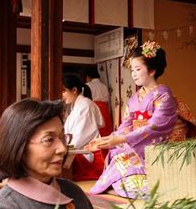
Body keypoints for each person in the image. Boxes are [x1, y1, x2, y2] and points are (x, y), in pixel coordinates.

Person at [86, 41, 179, 198]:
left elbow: (155, 126)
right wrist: (108, 139)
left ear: (152, 70)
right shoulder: (135, 98)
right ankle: (121, 185)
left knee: (125, 156)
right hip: (136, 140)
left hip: (156, 143)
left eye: (137, 69)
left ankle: (131, 186)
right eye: (132, 70)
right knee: (117, 152)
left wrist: (123, 139)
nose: (134, 74)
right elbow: (126, 125)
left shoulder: (164, 95)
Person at [62, 75, 105, 181]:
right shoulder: (77, 105)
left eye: (63, 91)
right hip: (79, 150)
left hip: (85, 154)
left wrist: (64, 147)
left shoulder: (85, 105)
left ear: (74, 90)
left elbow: (81, 136)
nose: (61, 95)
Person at [85, 68, 113, 137]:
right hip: (104, 109)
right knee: (105, 131)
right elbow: (107, 99)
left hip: (93, 108)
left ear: (88, 77)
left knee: (95, 130)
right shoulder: (104, 86)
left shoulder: (87, 85)